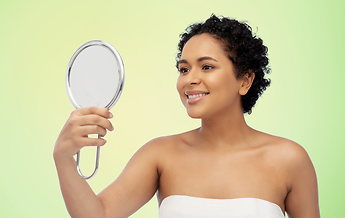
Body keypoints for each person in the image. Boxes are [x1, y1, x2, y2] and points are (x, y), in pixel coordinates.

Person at [54, 15, 320, 218]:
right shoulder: (160, 155)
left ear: (245, 80)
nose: (190, 79)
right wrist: (64, 158)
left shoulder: (290, 160)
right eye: (183, 69)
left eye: (206, 66)